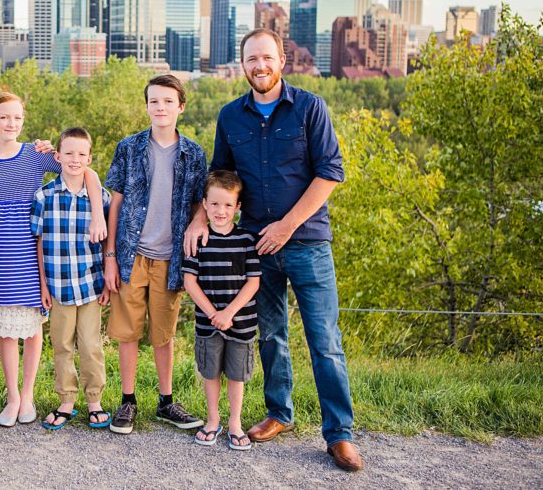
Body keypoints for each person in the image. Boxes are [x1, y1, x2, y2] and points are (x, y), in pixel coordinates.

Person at [184, 28, 363, 472]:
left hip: (307, 242)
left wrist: (287, 225)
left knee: (325, 342)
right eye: (251, 59)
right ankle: (279, 413)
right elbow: (219, 176)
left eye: (267, 57)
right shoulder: (231, 116)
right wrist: (199, 217)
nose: (260, 66)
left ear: (282, 59)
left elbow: (330, 174)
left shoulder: (309, 108)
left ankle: (339, 434)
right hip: (254, 246)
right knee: (271, 336)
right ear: (242, 65)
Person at [0, 94, 105, 428]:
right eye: (3, 117)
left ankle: (28, 394)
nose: (11, 124)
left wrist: (99, 215)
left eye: (17, 118)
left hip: (32, 248)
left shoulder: (35, 153)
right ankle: (12, 395)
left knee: (32, 328)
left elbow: (83, 170)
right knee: (6, 331)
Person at [103, 74, 208, 435]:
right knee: (128, 331)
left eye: (167, 101)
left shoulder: (193, 154)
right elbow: (114, 202)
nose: (160, 107)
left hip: (170, 258)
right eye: (153, 101)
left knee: (163, 334)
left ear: (180, 106)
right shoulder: (129, 148)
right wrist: (111, 256)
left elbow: (200, 203)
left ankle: (166, 402)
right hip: (132, 256)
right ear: (146, 106)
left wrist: (199, 223)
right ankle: (128, 400)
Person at [32, 127, 112, 431]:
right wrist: (42, 285)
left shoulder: (99, 199)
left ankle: (94, 401)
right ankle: (67, 400)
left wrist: (106, 280)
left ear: (89, 158)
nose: (75, 160)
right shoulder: (45, 197)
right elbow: (38, 242)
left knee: (91, 345)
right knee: (62, 345)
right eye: (68, 153)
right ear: (58, 156)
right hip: (58, 286)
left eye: (81, 154)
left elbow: (106, 243)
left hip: (90, 284)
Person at [182, 170, 260, 450]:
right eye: (214, 204)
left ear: (238, 207)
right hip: (207, 323)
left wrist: (228, 314)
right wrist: (213, 313)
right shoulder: (197, 239)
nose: (220, 211)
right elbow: (189, 282)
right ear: (204, 204)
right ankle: (213, 420)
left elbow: (253, 282)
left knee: (237, 376)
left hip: (241, 323)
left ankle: (235, 423)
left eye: (228, 205)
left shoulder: (246, 241)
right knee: (211, 373)